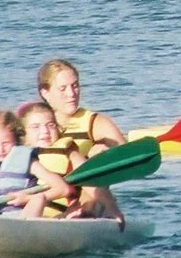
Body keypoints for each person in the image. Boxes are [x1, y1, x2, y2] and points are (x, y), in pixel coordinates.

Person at [37, 59, 126, 220]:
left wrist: (107, 153)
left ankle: (83, 213)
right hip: (41, 204)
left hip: (85, 204)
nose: (72, 93)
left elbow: (126, 155)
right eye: (63, 88)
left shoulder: (95, 122)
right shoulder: (34, 123)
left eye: (75, 85)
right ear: (45, 93)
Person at [19, 100, 123, 225]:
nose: (45, 131)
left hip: (62, 216)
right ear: (23, 134)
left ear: (58, 129)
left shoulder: (68, 150)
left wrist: (112, 208)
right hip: (20, 214)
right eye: (35, 127)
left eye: (51, 125)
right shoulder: (16, 154)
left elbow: (88, 178)